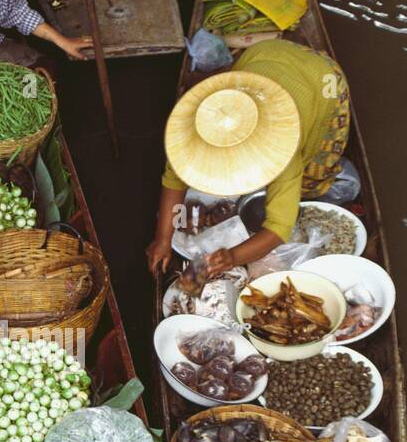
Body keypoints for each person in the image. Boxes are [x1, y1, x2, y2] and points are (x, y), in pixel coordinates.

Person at [146, 38, 350, 277]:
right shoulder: (193, 134)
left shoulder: (285, 149)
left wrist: (232, 257)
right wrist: (162, 239)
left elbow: (279, 228)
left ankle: (309, 183)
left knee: (313, 169)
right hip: (262, 54)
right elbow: (174, 179)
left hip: (322, 78)